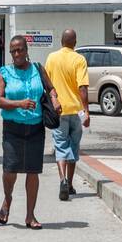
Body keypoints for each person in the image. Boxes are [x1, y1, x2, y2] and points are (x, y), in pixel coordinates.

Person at [0, 35, 58, 229]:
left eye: (20, 49)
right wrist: (19, 104)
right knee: (10, 170)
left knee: (33, 171)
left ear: (26, 49)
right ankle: (7, 198)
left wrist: (55, 99)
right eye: (13, 51)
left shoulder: (38, 69)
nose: (17, 54)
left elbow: (51, 88)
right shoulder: (4, 73)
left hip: (36, 127)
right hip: (13, 128)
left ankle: (30, 216)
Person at [44, 29, 89, 201]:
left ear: (61, 41)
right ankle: (69, 184)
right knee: (74, 146)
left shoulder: (51, 58)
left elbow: (47, 85)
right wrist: (86, 111)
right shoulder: (79, 59)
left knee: (61, 146)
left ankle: (62, 179)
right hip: (76, 111)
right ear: (75, 42)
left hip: (58, 111)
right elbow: (82, 87)